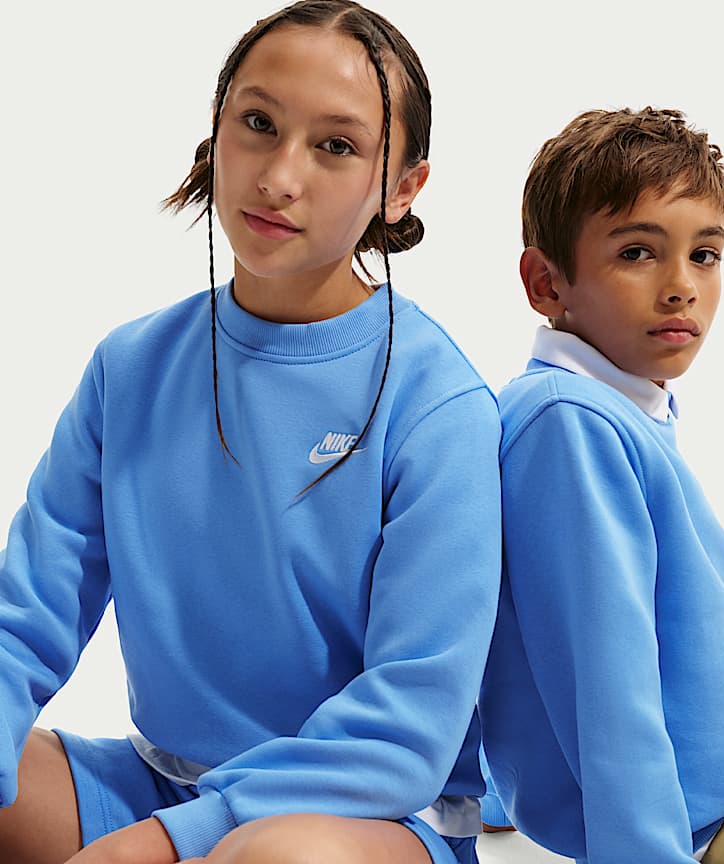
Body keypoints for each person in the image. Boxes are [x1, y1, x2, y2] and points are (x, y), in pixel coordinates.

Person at [0, 2, 502, 862]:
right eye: (260, 124)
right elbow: (26, 615)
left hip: (367, 816)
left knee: (270, 857)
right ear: (217, 130)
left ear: (402, 188)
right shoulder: (130, 366)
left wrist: (166, 845)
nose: (279, 176)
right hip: (162, 787)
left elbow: (407, 728)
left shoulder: (437, 403)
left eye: (335, 145)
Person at [478, 106, 724, 864]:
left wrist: (502, 789)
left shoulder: (619, 395)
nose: (682, 286)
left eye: (705, 254)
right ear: (546, 282)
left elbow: (529, 640)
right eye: (637, 253)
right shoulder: (569, 426)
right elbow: (604, 683)